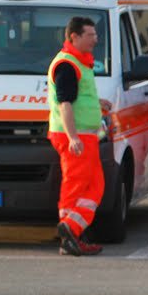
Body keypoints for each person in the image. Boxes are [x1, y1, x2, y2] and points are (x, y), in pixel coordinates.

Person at [47, 15, 107, 257]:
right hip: (76, 136)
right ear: (74, 36)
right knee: (84, 187)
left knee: (84, 187)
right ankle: (70, 229)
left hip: (82, 135)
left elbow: (74, 99)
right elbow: (65, 104)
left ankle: (71, 234)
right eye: (90, 35)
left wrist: (98, 103)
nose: (96, 39)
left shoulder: (77, 62)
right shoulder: (68, 64)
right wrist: (73, 137)